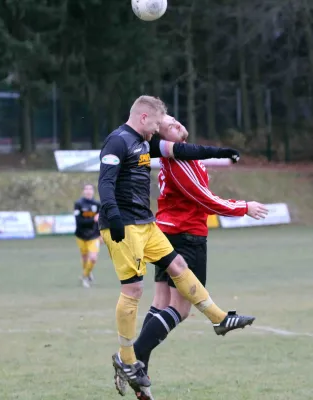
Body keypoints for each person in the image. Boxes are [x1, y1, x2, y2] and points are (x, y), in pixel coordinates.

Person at [98, 95, 251, 400]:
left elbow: (184, 149)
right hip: (124, 225)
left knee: (178, 267)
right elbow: (105, 181)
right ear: (143, 118)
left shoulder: (146, 142)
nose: (157, 130)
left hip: (147, 223)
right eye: (156, 124)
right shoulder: (118, 141)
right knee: (133, 291)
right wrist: (112, 214)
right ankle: (127, 359)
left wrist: (220, 152)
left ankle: (220, 318)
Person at [128, 116, 268, 386]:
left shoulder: (183, 156)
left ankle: (140, 364)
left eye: (176, 121)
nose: (178, 125)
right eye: (170, 126)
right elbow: (205, 199)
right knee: (180, 308)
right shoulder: (180, 162)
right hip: (186, 235)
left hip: (168, 232)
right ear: (165, 137)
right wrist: (244, 207)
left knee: (161, 302)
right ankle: (133, 356)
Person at [74, 183, 101, 288]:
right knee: (85, 258)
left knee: (93, 258)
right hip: (81, 235)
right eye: (86, 189)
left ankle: (85, 277)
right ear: (83, 191)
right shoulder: (78, 204)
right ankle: (88, 273)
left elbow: (100, 221)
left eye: (90, 189)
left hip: (93, 236)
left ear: (93, 191)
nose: (88, 191)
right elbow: (78, 221)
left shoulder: (97, 204)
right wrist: (92, 219)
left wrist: (101, 234)